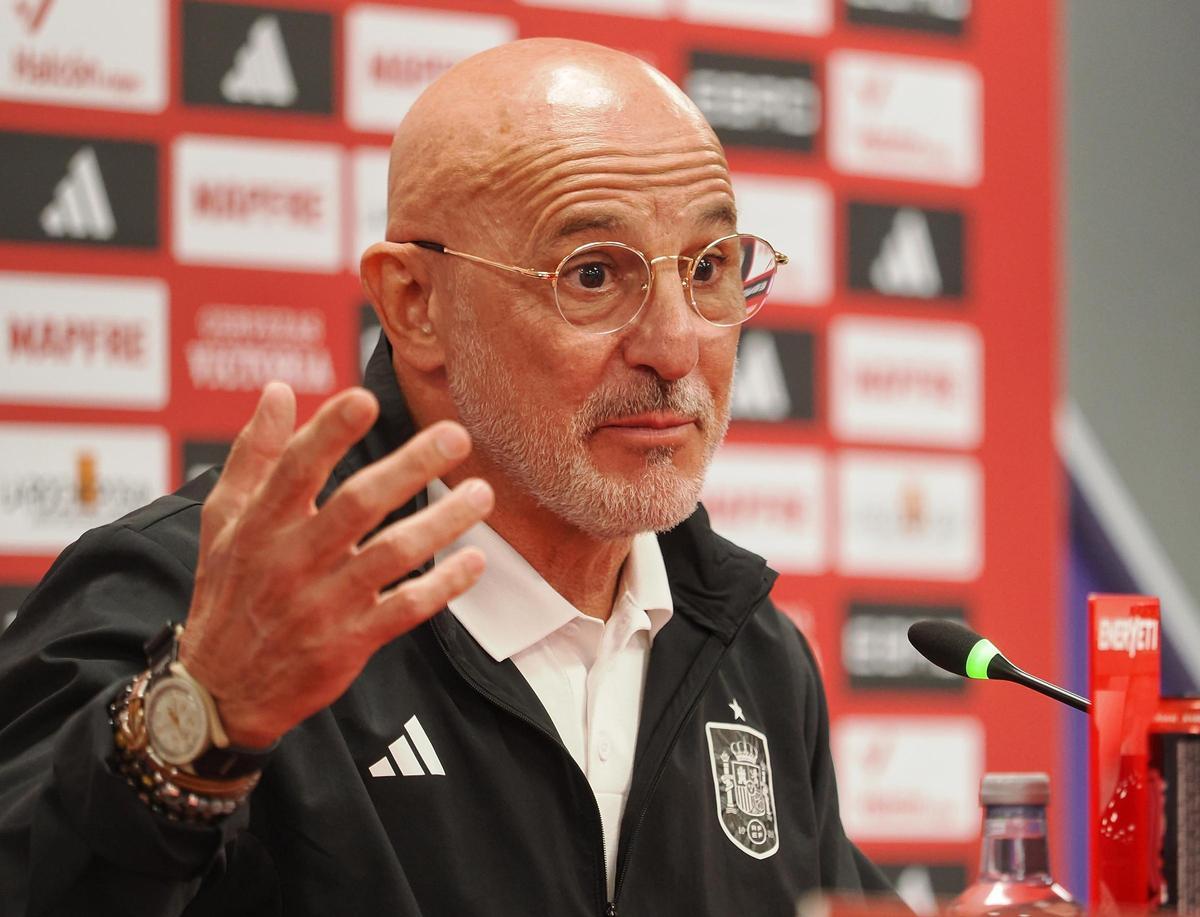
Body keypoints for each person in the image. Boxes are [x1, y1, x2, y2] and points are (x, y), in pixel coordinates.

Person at [0, 38, 892, 917]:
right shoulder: (197, 595)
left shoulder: (750, 646)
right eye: (591, 275)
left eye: (709, 269)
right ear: (415, 305)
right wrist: (200, 712)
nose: (673, 346)